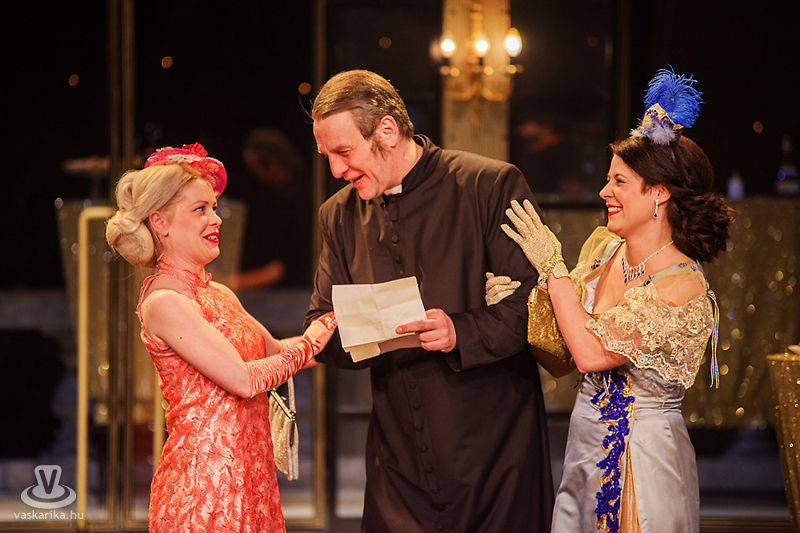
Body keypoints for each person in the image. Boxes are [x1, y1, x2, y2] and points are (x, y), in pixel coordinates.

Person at [304, 69, 554, 532]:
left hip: (496, 454)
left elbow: (537, 307)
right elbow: (320, 325)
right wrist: (359, 333)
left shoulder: (488, 185)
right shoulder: (337, 215)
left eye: (344, 152)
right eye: (328, 157)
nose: (336, 171)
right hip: (397, 462)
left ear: (387, 131)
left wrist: (459, 330)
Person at [495, 69, 735, 532]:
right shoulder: (604, 252)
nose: (605, 192)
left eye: (619, 181)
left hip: (645, 461)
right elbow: (563, 359)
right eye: (608, 180)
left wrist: (553, 269)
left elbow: (591, 354)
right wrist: (522, 306)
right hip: (585, 449)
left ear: (658, 193)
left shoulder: (681, 284)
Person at [105, 142, 336, 532]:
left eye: (213, 207)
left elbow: (278, 352)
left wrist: (357, 330)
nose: (216, 219)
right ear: (159, 222)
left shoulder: (218, 293)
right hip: (204, 488)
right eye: (200, 209)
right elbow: (244, 380)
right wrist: (314, 339)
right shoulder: (165, 301)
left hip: (252, 476)